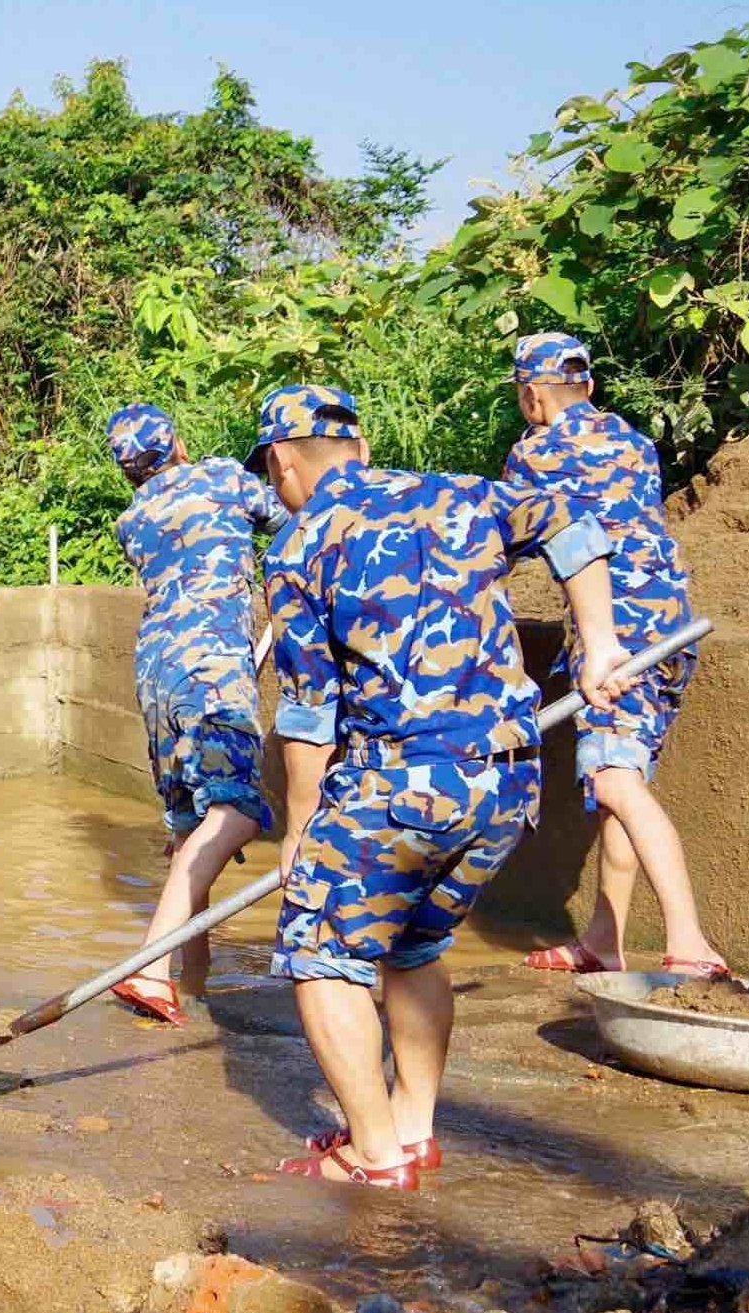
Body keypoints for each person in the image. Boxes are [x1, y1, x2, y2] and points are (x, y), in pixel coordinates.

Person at [257, 385, 631, 1189]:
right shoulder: (456, 492)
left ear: (286, 460)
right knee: (414, 946)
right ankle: (414, 1129)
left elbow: (309, 715)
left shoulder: (298, 546)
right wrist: (598, 643)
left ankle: (375, 1154)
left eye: (272, 471)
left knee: (322, 952)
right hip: (506, 785)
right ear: (358, 446)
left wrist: (297, 834)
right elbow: (569, 519)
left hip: (400, 784)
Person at [500, 334, 729, 980]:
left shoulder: (533, 454)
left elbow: (504, 550)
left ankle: (688, 941)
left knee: (612, 781)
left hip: (615, 636)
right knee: (622, 781)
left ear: (532, 394)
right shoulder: (633, 441)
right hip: (671, 625)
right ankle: (603, 939)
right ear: (590, 387)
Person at [104, 405, 289, 1025]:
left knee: (190, 824)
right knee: (236, 812)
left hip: (155, 673)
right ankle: (151, 968)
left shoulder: (131, 520)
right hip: (211, 665)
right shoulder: (221, 479)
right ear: (178, 441)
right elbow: (293, 511)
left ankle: (194, 979)